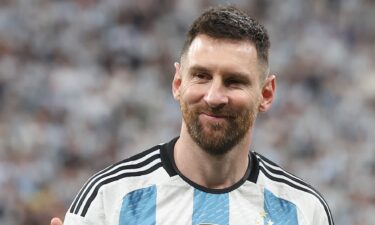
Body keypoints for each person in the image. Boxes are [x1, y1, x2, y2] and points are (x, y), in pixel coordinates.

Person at [51, 5, 334, 225]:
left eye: (234, 81)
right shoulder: (110, 197)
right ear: (178, 83)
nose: (213, 97)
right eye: (201, 76)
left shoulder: (304, 210)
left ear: (267, 94)